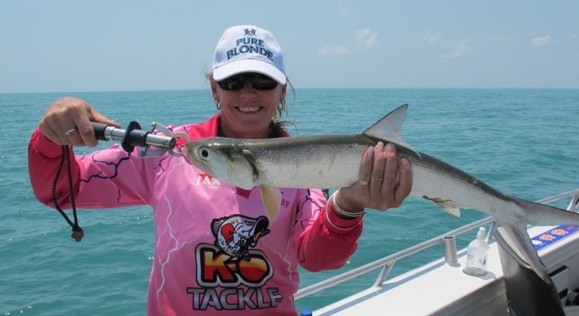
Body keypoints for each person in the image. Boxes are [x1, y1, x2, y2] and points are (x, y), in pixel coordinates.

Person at [28, 25, 413, 315]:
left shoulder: (303, 167)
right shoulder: (170, 151)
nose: (248, 92)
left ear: (282, 91)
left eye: (263, 81)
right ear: (215, 88)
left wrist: (347, 205)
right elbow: (60, 191)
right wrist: (51, 137)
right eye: (233, 81)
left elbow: (316, 258)